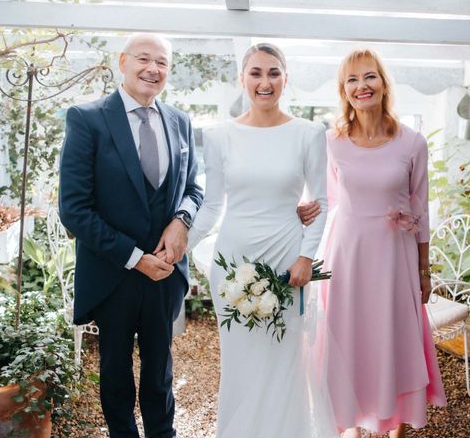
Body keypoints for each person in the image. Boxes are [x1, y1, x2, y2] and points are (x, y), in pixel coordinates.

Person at [186, 43, 335, 437]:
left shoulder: (309, 133)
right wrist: (179, 245)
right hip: (232, 261)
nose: (264, 82)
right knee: (240, 362)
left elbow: (320, 202)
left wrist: (306, 257)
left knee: (284, 358)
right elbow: (213, 205)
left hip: (287, 262)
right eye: (256, 73)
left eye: (273, 73)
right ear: (242, 79)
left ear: (285, 79)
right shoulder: (219, 135)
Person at [59, 33, 203, 438]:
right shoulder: (87, 119)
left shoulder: (180, 121)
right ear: (122, 62)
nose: (152, 69)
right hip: (113, 273)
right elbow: (74, 208)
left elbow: (194, 187)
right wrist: (135, 257)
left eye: (162, 63)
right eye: (143, 58)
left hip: (165, 273)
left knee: (160, 372)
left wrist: (182, 221)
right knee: (115, 373)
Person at [321, 49, 446, 438]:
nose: (362, 86)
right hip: (347, 257)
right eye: (353, 79)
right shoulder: (331, 142)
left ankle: (396, 427)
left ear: (383, 83)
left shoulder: (412, 143)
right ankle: (351, 425)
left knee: (395, 335)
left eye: (370, 77)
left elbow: (421, 210)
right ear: (344, 90)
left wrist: (424, 270)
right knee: (350, 336)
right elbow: (326, 203)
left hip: (396, 258)